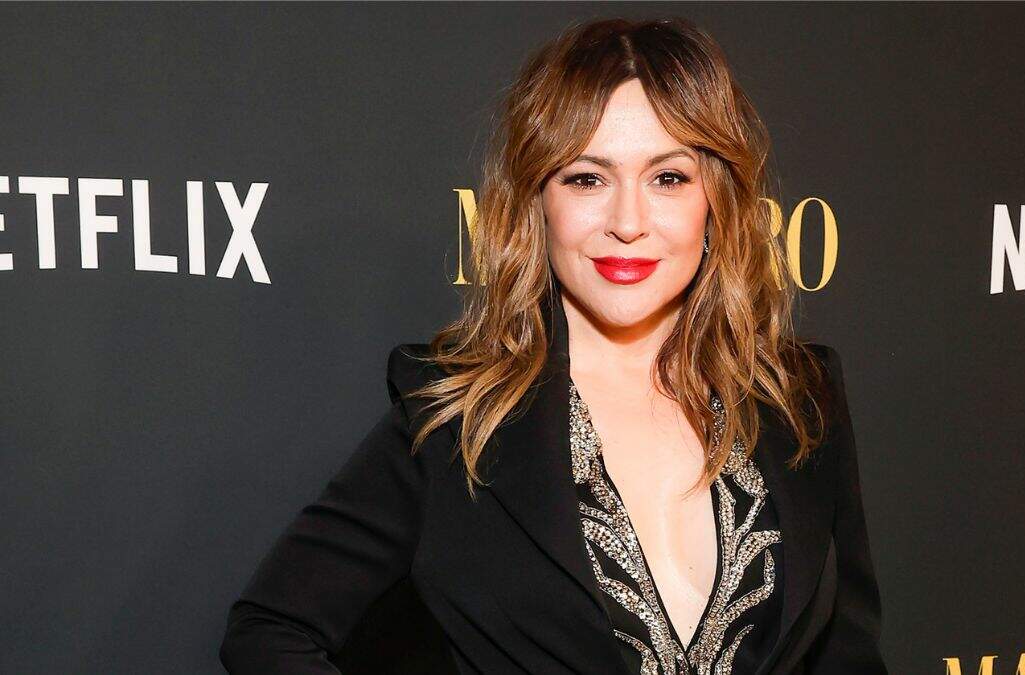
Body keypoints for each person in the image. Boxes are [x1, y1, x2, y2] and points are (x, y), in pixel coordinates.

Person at [220, 16, 886, 675]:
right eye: (587, 178)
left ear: (716, 201)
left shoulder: (800, 397)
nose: (628, 222)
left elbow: (848, 656)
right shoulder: (458, 422)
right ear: (538, 201)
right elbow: (269, 629)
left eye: (668, 178)